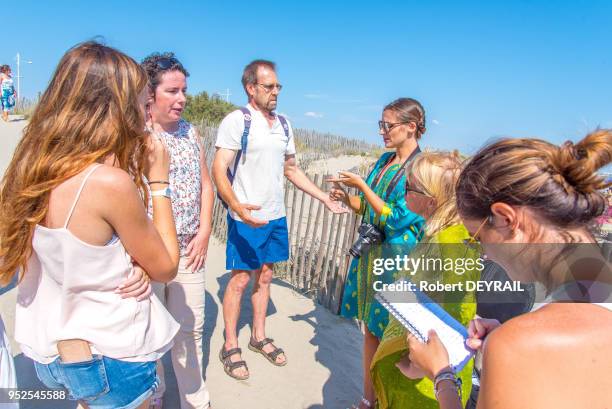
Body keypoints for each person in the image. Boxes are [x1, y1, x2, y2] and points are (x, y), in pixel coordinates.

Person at [0, 42, 181, 409]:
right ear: (113, 107)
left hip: (53, 352)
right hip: (110, 355)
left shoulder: (32, 168)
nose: (146, 116)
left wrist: (128, 263)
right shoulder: (108, 184)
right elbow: (166, 267)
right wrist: (160, 183)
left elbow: (73, 250)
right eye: (141, 104)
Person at [405, 131, 612, 408]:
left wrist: (441, 375)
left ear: (505, 219)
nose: (482, 252)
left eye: (476, 238)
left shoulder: (518, 345)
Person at [212, 59, 346, 380]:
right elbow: (219, 169)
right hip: (246, 216)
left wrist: (324, 198)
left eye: (278, 86)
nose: (275, 92)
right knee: (241, 279)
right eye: (268, 86)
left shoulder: (284, 124)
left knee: (266, 276)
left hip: (275, 216)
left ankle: (258, 337)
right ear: (251, 88)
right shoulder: (237, 121)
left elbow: (291, 170)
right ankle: (231, 343)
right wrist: (237, 206)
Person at [327, 98, 427, 408]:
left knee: (394, 339)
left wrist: (361, 185)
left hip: (399, 264)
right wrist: (347, 196)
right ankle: (367, 400)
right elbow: (369, 211)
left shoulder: (421, 169)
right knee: (370, 330)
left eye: (388, 125)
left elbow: (397, 217)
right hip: (373, 258)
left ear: (411, 127)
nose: (382, 131)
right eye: (380, 124)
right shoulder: (384, 162)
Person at [369, 151, 480, 408]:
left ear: (431, 200)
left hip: (426, 383)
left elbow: (455, 309)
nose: (404, 191)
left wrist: (418, 366)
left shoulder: (449, 242)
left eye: (410, 186)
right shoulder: (439, 232)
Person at [141, 52, 214, 409]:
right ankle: (154, 396)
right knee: (151, 331)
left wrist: (204, 231)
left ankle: (195, 400)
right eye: (172, 91)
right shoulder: (135, 136)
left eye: (184, 90)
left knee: (191, 329)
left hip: (189, 248)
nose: (182, 98)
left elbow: (206, 184)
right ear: (149, 95)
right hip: (148, 252)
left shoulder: (191, 131)